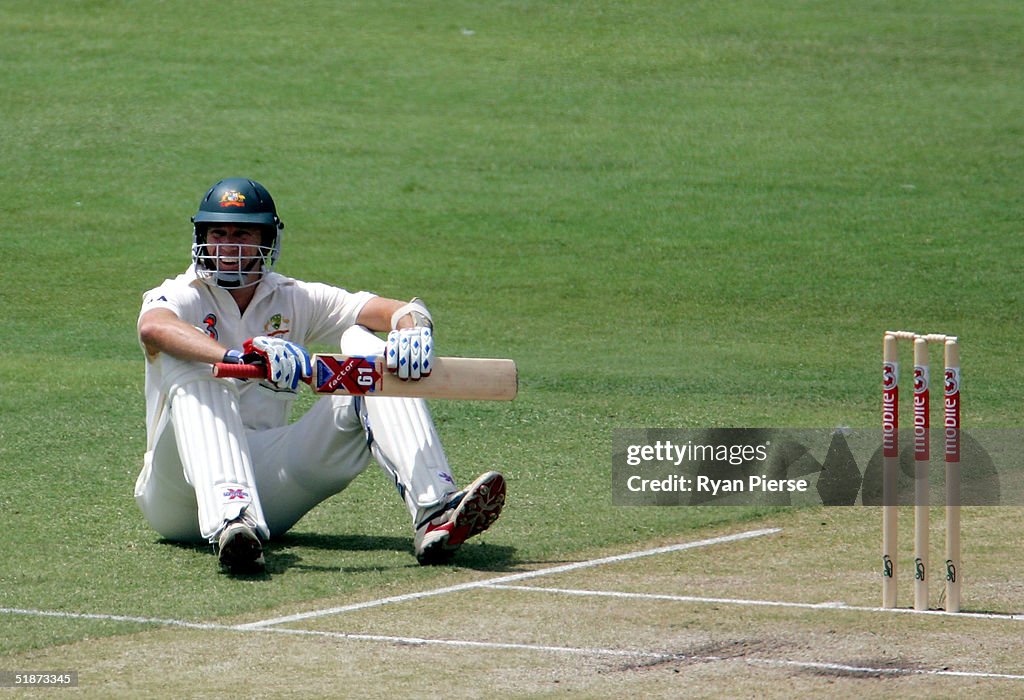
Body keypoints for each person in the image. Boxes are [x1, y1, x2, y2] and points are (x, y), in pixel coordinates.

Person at [135, 177, 506, 573]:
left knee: (368, 350)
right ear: (202, 238)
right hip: (175, 493)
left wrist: (413, 326)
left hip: (269, 487)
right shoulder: (181, 293)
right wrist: (235, 355)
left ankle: (435, 509)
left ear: (267, 239)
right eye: (218, 233)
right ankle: (230, 518)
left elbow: (392, 310)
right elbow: (155, 328)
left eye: (242, 233)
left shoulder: (293, 297)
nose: (228, 245)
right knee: (192, 362)